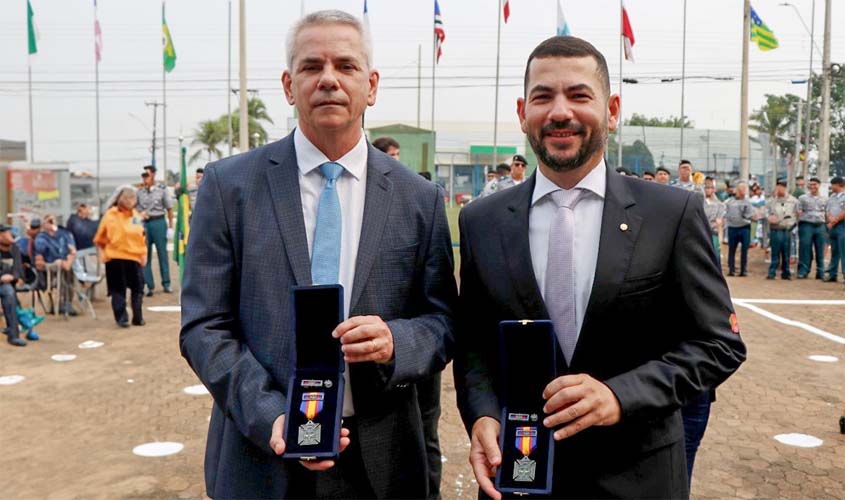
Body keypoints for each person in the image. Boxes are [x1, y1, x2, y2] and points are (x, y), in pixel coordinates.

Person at [454, 35, 745, 499]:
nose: (560, 112)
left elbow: (718, 344)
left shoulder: (671, 214)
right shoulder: (481, 221)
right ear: (522, 112)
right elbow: (474, 346)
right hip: (522, 471)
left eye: (579, 95)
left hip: (639, 475)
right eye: (543, 96)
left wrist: (619, 396)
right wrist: (483, 414)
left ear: (611, 109)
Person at [180, 10, 456, 499]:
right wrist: (272, 416)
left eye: (345, 66)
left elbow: (441, 321)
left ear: (370, 86)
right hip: (262, 457)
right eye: (312, 67)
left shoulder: (420, 200)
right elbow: (205, 326)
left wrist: (396, 339)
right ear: (289, 86)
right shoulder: (229, 188)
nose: (328, 79)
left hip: (383, 463)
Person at [94, 186, 148, 328]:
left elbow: (141, 236)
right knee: (118, 290)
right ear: (120, 199)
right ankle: (122, 318)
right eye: (127, 198)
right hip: (115, 258)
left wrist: (143, 254)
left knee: (138, 289)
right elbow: (100, 238)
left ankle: (138, 317)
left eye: (132, 198)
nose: (130, 201)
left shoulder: (135, 216)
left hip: (135, 258)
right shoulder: (110, 215)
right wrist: (102, 254)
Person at [136, 166, 174, 296]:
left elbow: (169, 208)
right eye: (143, 175)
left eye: (147, 175)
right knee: (145, 255)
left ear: (153, 175)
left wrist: (170, 226)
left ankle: (166, 283)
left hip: (158, 222)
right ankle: (149, 285)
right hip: (145, 224)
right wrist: (140, 214)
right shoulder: (139, 192)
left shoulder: (161, 190)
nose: (145, 178)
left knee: (163, 254)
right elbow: (135, 208)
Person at [33, 214, 77, 315]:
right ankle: (61, 303)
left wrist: (67, 263)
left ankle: (66, 302)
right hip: (48, 267)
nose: (52, 223)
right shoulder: (41, 238)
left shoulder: (64, 235)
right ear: (44, 224)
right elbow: (39, 262)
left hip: (65, 264)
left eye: (53, 221)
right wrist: (54, 264)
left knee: (66, 268)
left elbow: (72, 251)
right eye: (49, 221)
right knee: (60, 265)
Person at [765, 179, 798, 280]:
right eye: (778, 186)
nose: (779, 189)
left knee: (786, 252)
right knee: (775, 252)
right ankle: (772, 272)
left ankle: (786, 272)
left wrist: (792, 224)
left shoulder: (793, 201)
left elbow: (796, 214)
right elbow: (766, 212)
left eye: (782, 186)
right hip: (776, 229)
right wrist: (769, 217)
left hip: (787, 229)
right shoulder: (772, 201)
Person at [0, 224, 27, 346]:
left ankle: (13, 335)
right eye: (8, 233)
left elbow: (18, 269)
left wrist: (14, 277)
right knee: (8, 291)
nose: (12, 235)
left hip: (8, 284)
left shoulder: (15, 248)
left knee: (9, 292)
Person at [797, 177, 826, 279]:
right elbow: (798, 212)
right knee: (805, 248)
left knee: (820, 249)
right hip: (807, 225)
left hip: (820, 225)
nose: (813, 186)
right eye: (811, 184)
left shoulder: (825, 199)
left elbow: (827, 212)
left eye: (815, 184)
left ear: (819, 185)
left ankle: (821, 272)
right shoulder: (802, 198)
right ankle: (803, 271)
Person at [725, 182, 755, 277]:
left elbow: (750, 215)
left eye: (744, 188)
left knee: (744, 250)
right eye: (741, 188)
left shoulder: (748, 203)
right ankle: (731, 269)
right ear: (737, 190)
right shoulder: (729, 202)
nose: (742, 191)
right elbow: (725, 213)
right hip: (732, 228)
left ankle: (743, 269)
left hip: (744, 228)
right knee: (731, 249)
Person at [824, 177, 845, 283]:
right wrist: (830, 219)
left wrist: (834, 221)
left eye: (833, 185)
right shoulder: (832, 196)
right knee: (834, 251)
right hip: (833, 227)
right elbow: (827, 209)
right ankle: (832, 274)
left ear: (838, 185)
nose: (831, 187)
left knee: (843, 252)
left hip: (842, 226)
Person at [703, 176, 726, 263]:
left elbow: (719, 224)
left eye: (711, 187)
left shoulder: (720, 205)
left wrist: (720, 241)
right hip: (700, 234)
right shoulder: (698, 203)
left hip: (713, 235)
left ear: (714, 189)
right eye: (706, 187)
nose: (708, 189)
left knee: (715, 259)